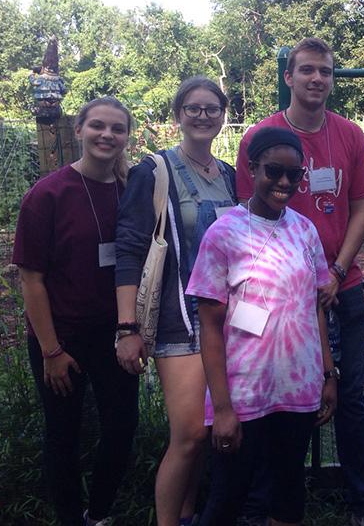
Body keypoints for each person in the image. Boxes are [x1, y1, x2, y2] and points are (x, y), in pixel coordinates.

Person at [235, 37, 364, 526]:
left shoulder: (350, 135)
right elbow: (248, 218)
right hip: (281, 298)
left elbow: (362, 206)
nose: (317, 79)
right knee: (274, 397)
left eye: (325, 71)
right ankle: (270, 502)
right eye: (307, 71)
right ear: (288, 78)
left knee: (352, 399)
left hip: (344, 287)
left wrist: (337, 271)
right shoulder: (261, 138)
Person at [187, 128, 337, 526]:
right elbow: (210, 324)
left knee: (288, 494)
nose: (285, 183)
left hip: (297, 388)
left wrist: (327, 374)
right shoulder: (223, 234)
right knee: (227, 497)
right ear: (251, 169)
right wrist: (221, 408)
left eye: (295, 174)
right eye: (274, 171)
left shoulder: (305, 230)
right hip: (244, 393)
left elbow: (316, 307)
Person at [115, 76, 236, 526]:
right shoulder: (154, 171)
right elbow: (128, 249)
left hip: (225, 321)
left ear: (223, 115)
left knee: (206, 432)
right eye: (194, 108)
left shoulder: (230, 176)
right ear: (177, 114)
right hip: (178, 321)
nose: (203, 116)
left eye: (212, 108)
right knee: (187, 435)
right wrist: (127, 328)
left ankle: (187, 514)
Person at [13, 97, 138, 526]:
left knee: (122, 427)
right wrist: (51, 351)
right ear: (80, 129)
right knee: (63, 435)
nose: (107, 135)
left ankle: (98, 512)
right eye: (98, 126)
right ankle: (68, 518)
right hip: (60, 339)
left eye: (117, 128)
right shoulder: (47, 195)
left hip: (116, 335)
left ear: (126, 136)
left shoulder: (130, 190)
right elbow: (31, 279)